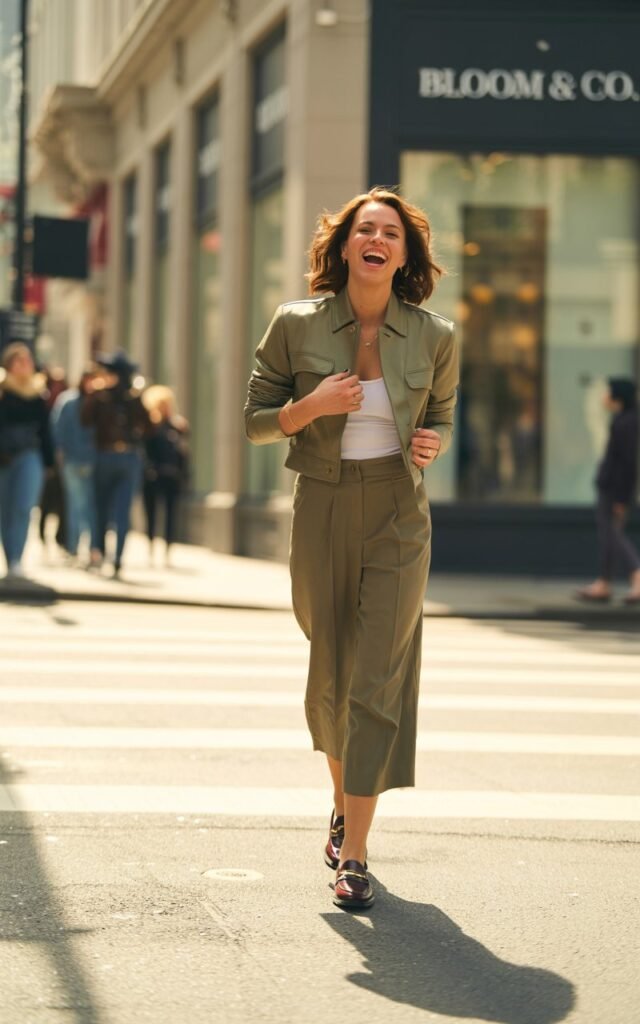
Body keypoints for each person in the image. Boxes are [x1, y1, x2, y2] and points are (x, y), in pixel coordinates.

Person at [245, 186, 459, 910]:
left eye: (391, 233)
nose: (377, 239)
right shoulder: (296, 323)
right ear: (343, 248)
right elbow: (254, 421)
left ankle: (356, 854)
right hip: (323, 505)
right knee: (330, 673)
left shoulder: (435, 336)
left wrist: (432, 440)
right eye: (364, 229)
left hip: (400, 514)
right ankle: (343, 803)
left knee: (376, 681)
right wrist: (312, 407)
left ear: (405, 254)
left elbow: (442, 417)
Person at [81, 351, 151, 577]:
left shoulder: (133, 397)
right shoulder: (101, 396)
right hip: (105, 456)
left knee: (122, 509)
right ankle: (99, 551)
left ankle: (118, 557)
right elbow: (85, 421)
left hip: (127, 458)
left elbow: (148, 427)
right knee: (100, 507)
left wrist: (137, 400)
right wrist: (94, 395)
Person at [576, 377, 640, 604]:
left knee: (613, 535)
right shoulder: (622, 420)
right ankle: (604, 583)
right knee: (609, 536)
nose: (604, 397)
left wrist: (622, 497)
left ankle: (636, 575)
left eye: (608, 392)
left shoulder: (626, 423)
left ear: (617, 396)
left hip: (615, 490)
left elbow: (626, 463)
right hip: (612, 487)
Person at [0, 343, 54, 579]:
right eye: (19, 361)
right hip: (3, 457)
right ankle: (8, 554)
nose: (25, 366)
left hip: (30, 455)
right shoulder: (2, 391)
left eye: (28, 361)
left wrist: (49, 461)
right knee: (5, 509)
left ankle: (16, 560)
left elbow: (45, 431)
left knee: (23, 507)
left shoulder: (38, 393)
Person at [50, 367, 101, 568]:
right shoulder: (69, 402)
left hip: (91, 460)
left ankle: (90, 548)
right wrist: (61, 453)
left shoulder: (97, 402)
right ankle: (74, 547)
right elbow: (57, 429)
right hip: (74, 460)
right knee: (76, 505)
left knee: (87, 506)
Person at [141, 385, 190, 566]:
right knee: (151, 514)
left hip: (172, 476)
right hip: (153, 476)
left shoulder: (176, 426)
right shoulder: (149, 426)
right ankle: (151, 549)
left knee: (171, 515)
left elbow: (183, 451)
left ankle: (168, 551)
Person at [38, 366, 68, 555]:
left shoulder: (65, 399)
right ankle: (42, 535)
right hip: (44, 456)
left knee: (63, 500)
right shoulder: (41, 398)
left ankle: (61, 538)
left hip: (62, 457)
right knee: (46, 500)